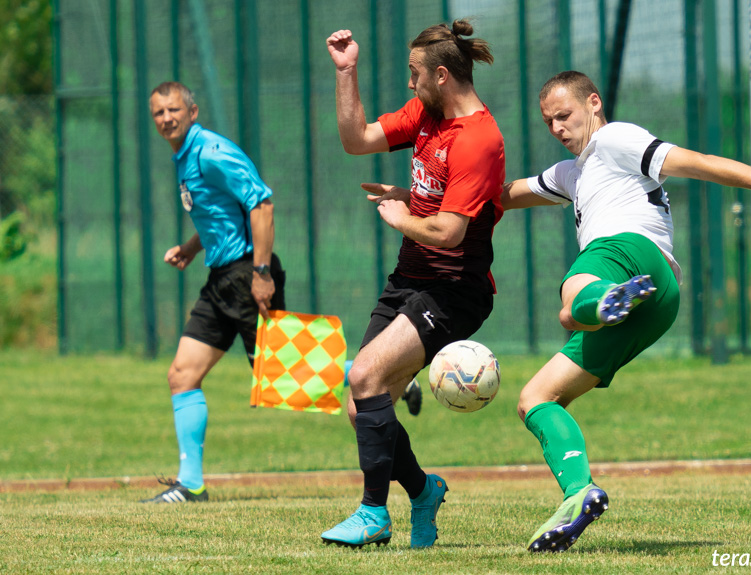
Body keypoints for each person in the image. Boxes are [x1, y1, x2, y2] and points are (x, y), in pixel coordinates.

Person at [501, 70, 751, 552]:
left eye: (564, 115)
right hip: (658, 298)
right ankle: (579, 493)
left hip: (630, 250)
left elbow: (701, 163)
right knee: (536, 399)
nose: (557, 128)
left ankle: (595, 301)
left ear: (593, 103)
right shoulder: (573, 174)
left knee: (573, 293)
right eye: (548, 122)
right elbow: (502, 197)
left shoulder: (614, 138)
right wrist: (423, 203)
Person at [322, 20, 505, 549]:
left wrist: (400, 215)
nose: (409, 84)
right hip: (408, 279)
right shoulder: (427, 113)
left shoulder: (479, 139)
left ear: (442, 75)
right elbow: (357, 140)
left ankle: (373, 513)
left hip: (454, 290)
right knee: (361, 403)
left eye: (414, 74)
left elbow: (448, 233)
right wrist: (346, 71)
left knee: (366, 379)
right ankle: (424, 491)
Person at [141, 81, 286, 504]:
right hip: (221, 277)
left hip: (246, 275)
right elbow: (220, 213)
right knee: (181, 375)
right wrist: (190, 248)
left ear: (193, 111)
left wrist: (261, 272)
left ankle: (380, 375)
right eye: (158, 113)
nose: (166, 118)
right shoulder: (185, 156)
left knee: (284, 378)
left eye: (173, 110)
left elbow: (261, 204)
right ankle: (191, 485)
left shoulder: (210, 151)